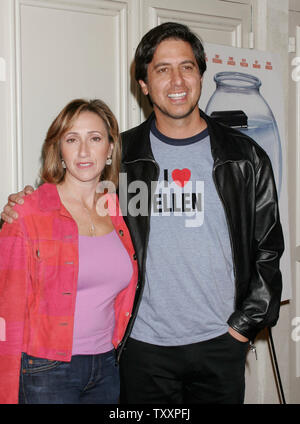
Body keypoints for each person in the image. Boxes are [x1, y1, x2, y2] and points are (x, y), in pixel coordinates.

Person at [1, 22, 284, 404]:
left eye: (187, 66)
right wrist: (22, 203)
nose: (177, 80)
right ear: (144, 85)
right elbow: (72, 204)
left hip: (220, 343)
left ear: (201, 74)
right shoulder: (122, 158)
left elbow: (268, 250)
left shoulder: (244, 157)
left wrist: (242, 328)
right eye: (162, 69)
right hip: (142, 349)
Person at [0, 98, 138, 404]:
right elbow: (6, 313)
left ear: (111, 148)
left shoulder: (118, 210)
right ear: (59, 150)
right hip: (46, 370)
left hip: (106, 365)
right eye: (72, 139)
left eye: (95, 138)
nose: (84, 151)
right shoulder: (28, 212)